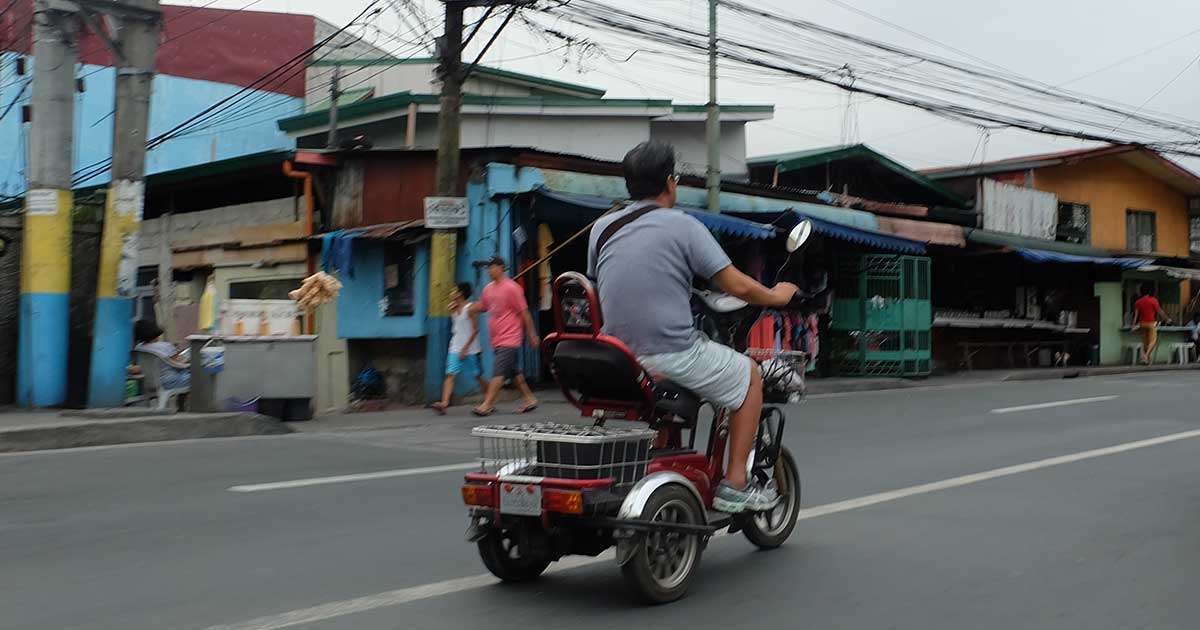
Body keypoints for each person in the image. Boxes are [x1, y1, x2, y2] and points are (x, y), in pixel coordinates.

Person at [587, 141, 798, 514]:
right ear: (671, 183)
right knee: (749, 375)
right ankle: (735, 484)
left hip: (616, 358)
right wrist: (778, 296)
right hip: (668, 354)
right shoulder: (684, 225)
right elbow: (737, 286)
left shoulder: (602, 228)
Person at [470, 257, 540, 416]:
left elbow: (524, 313)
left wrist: (532, 334)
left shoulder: (512, 288)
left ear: (501, 268)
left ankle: (487, 404)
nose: (489, 271)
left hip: (510, 338)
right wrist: (472, 308)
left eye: (492, 267)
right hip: (497, 339)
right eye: (488, 268)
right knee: (514, 372)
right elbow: (484, 305)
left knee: (498, 372)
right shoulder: (488, 288)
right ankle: (529, 398)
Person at [432, 283, 488, 415]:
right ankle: (444, 403)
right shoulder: (452, 307)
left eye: (454, 291)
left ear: (460, 294)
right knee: (450, 373)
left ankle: (489, 399)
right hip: (455, 345)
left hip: (471, 349)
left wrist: (465, 349)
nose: (451, 293)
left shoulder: (470, 309)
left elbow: (475, 330)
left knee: (477, 376)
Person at [133, 320, 191, 389]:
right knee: (201, 374)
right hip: (170, 381)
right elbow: (178, 364)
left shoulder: (138, 347)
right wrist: (188, 361)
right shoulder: (165, 346)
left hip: (148, 382)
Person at [1132, 283, 1172, 365]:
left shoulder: (1138, 302)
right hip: (1151, 324)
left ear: (1141, 292)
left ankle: (1146, 360)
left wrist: (1133, 325)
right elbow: (1160, 312)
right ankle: (1145, 356)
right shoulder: (1153, 300)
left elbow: (1135, 316)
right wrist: (1167, 319)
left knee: (1145, 342)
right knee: (1153, 341)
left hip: (1142, 324)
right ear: (1150, 291)